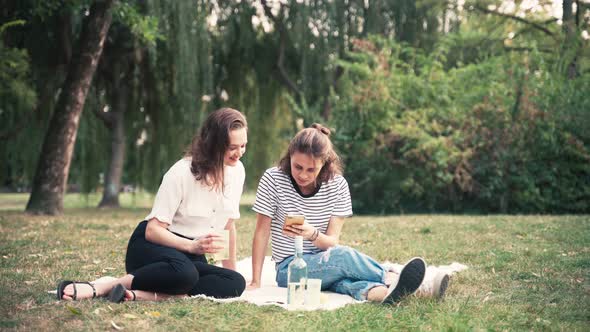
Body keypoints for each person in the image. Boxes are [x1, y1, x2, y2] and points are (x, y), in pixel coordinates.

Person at [57, 108, 248, 302]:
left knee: (235, 283)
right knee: (185, 274)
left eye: (243, 146)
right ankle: (104, 286)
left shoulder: (237, 171)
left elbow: (228, 226)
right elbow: (153, 231)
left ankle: (140, 295)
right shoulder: (180, 173)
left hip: (190, 257)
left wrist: (228, 271)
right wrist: (192, 246)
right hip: (154, 248)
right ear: (213, 144)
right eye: (232, 147)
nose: (239, 153)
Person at [249, 124, 448, 304]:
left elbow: (331, 242)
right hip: (290, 269)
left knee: (345, 282)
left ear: (324, 165)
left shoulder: (337, 185)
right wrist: (256, 281)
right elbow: (261, 232)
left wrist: (311, 233)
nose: (303, 175)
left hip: (326, 259)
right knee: (342, 258)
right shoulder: (273, 179)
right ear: (289, 156)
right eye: (297, 167)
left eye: (311, 170)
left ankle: (390, 293)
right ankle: (395, 278)